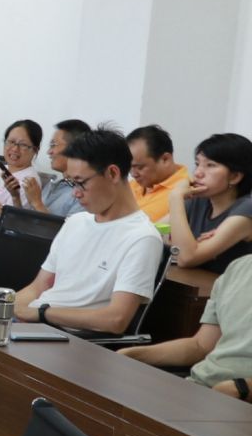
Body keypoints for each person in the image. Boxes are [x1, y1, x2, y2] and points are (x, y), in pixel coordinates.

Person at [10, 128, 165, 333]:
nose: (75, 193)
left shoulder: (142, 238)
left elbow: (116, 319)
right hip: (34, 326)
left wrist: (41, 313)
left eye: (81, 183)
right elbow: (37, 288)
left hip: (66, 337)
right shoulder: (75, 222)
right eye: (72, 183)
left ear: (112, 173)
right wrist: (1, 308)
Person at [120, 257, 252, 399]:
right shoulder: (238, 267)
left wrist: (241, 389)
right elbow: (200, 345)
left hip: (238, 398)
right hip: (201, 386)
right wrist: (132, 354)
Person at [164, 132, 252, 272]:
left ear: (235, 177)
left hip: (222, 286)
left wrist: (175, 197)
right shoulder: (199, 201)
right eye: (197, 164)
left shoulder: (247, 209)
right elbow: (152, 233)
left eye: (210, 165)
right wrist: (182, 243)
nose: (197, 173)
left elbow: (186, 258)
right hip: (188, 283)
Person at [0, 119, 75, 217]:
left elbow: (9, 218)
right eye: (11, 142)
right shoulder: (1, 169)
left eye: (23, 145)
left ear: (35, 150)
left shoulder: (29, 182)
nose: (14, 149)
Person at [125, 125, 188, 226]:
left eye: (139, 167)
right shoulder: (132, 185)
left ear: (165, 159)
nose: (133, 174)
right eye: (129, 167)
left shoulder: (186, 193)